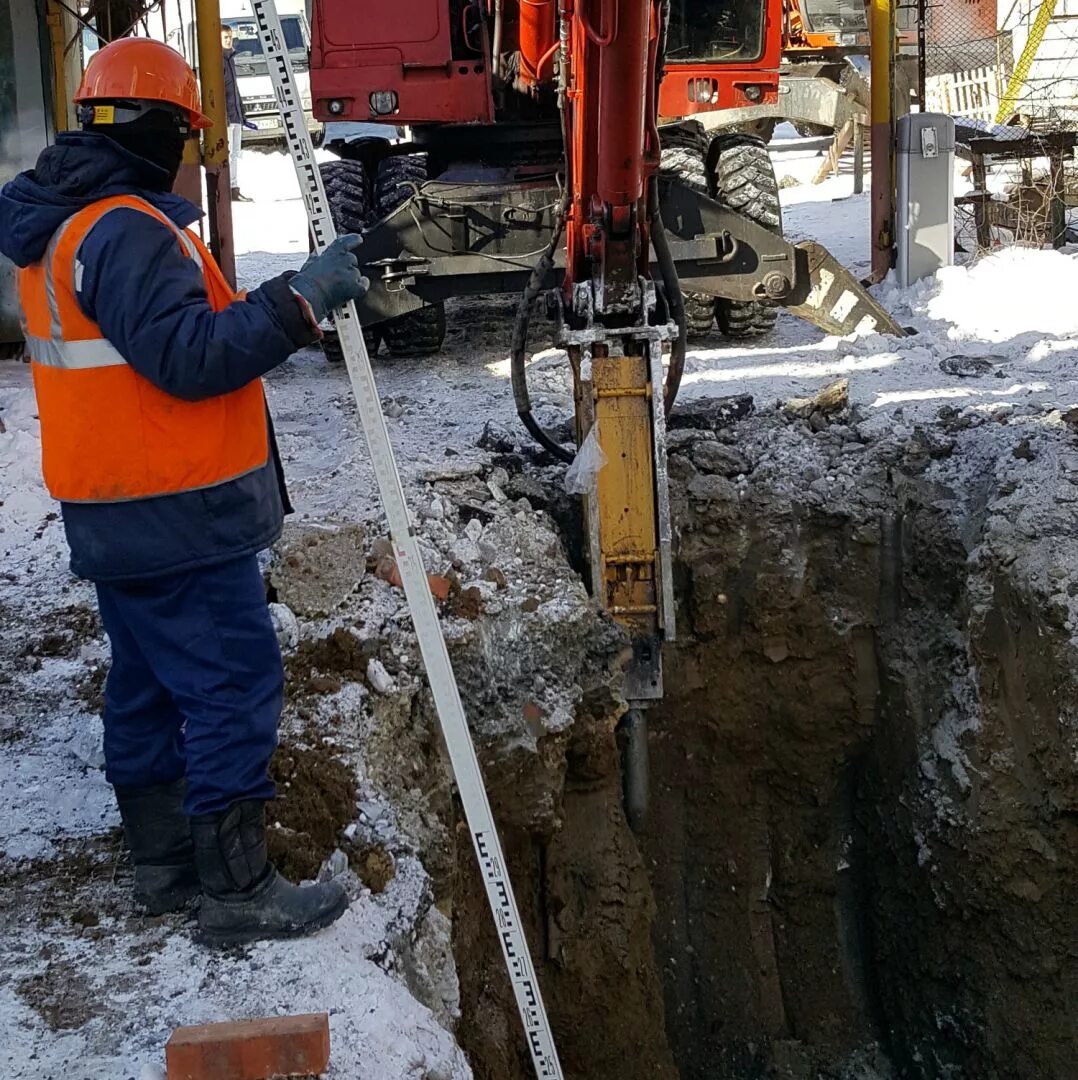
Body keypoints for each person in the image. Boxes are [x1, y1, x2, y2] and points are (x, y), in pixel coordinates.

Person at [0, 37, 368, 946]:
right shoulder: (122, 228)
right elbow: (191, 358)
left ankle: (163, 865)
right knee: (232, 683)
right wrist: (300, 301)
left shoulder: (67, 223)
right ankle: (237, 888)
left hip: (117, 509)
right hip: (177, 513)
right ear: (168, 129)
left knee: (150, 685)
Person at [221, 24, 252, 202]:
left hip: (235, 115)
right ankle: (227, 187)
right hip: (226, 117)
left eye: (230, 37)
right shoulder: (218, 60)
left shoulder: (230, 58)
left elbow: (234, 89)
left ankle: (234, 187)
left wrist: (242, 112)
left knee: (235, 153)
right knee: (228, 152)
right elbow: (220, 90)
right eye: (225, 37)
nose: (229, 40)